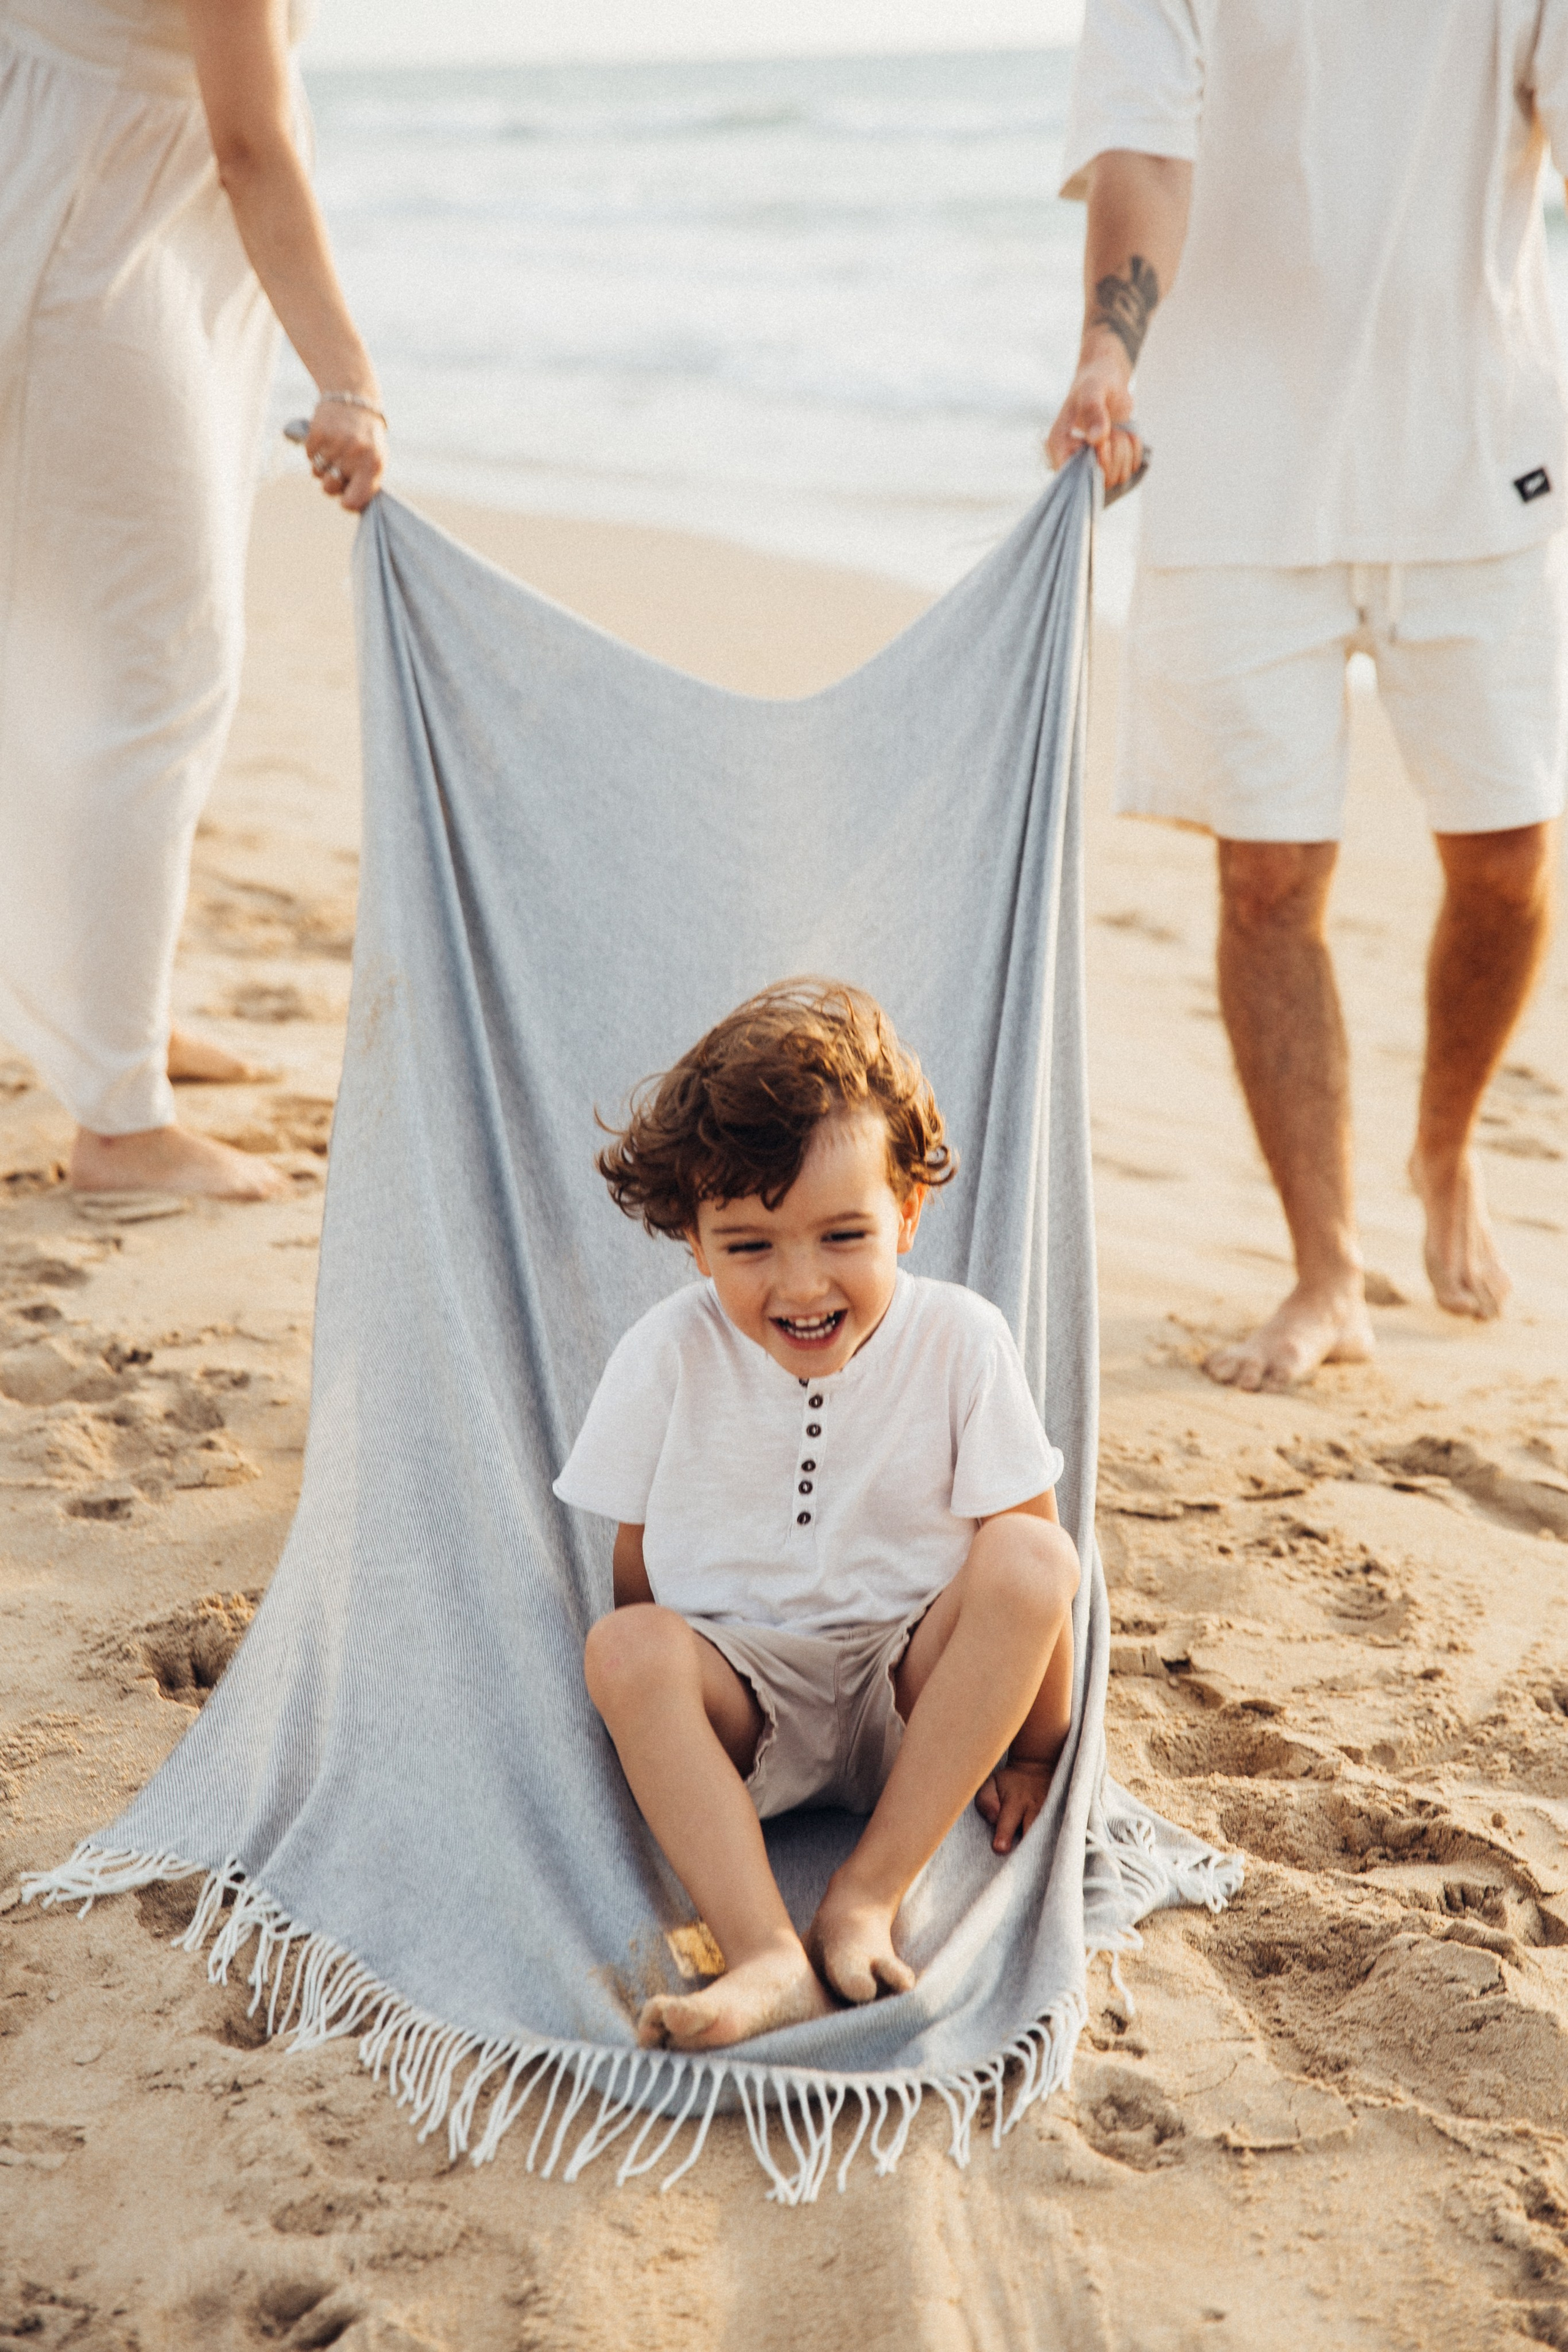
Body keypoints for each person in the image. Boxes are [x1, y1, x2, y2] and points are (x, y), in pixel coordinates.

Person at [1047, 1, 1567, 1390]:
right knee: (1267, 885)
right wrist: (1108, 351)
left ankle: (1443, 1151)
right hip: (1230, 475)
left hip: (1478, 461)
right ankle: (1323, 1269)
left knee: (1508, 861)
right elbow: (1142, 155)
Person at [554, 981, 1080, 2052]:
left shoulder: (963, 1341)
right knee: (625, 1645)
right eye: (748, 1246)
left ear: (908, 1214)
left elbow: (1036, 1578)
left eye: (843, 1235)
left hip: (918, 1700)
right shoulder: (666, 1354)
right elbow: (635, 1564)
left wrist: (1036, 1751)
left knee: (1032, 1553)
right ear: (695, 1244)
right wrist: (666, 1720)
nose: (801, 1284)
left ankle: (865, 1896)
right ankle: (763, 1953)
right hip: (748, 1702)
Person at [0, 0, 386, 1200]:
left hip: (107, 213)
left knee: (104, 660)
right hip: (110, 245)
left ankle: (111, 1020)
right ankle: (120, 1125)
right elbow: (248, 141)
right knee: (154, 677)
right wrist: (351, 378)